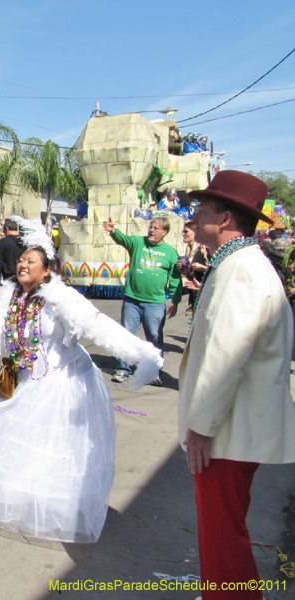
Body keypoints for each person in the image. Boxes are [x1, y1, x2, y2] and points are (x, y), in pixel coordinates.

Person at [0, 217, 162, 543]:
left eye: (31, 261)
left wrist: (141, 353)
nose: (23, 264)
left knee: (51, 450)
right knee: (6, 437)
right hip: (15, 373)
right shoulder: (10, 294)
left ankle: (42, 506)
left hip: (61, 380)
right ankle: (7, 498)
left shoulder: (61, 297)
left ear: (46, 270)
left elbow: (101, 327)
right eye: (22, 260)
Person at [179, 170, 295, 599]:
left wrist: (202, 426)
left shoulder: (242, 269)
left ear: (225, 218)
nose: (193, 217)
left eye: (201, 209)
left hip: (227, 432)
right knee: (222, 536)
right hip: (231, 427)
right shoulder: (236, 264)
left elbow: (228, 356)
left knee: (222, 539)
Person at [102, 216, 183, 385]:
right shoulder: (138, 243)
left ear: (165, 232)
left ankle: (153, 373)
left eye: (156, 228)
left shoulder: (170, 252)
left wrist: (175, 301)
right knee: (125, 336)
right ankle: (123, 369)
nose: (152, 230)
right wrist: (113, 231)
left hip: (155, 303)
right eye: (151, 227)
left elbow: (175, 279)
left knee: (154, 338)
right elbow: (123, 239)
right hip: (132, 300)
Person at [178, 221, 209, 314]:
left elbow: (216, 270)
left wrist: (203, 268)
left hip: (205, 294)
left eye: (186, 231)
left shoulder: (204, 249)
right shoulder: (187, 252)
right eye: (183, 231)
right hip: (194, 295)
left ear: (195, 232)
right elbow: (190, 275)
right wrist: (183, 270)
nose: (183, 234)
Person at [0, 219, 23, 291]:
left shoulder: (3, 242)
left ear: (7, 229)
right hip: (23, 277)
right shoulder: (23, 242)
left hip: (10, 279)